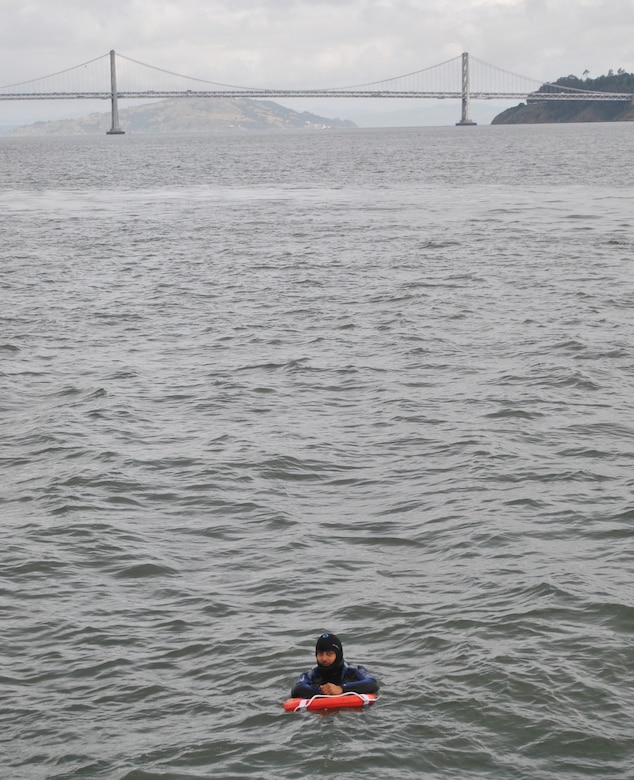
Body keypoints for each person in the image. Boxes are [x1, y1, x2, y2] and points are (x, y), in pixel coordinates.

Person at [290, 632, 379, 698]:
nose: (324, 658)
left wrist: (341, 689)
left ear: (338, 655)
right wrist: (323, 693)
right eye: (320, 654)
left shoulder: (354, 670)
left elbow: (372, 683)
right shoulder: (311, 674)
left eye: (329, 654)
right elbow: (297, 688)